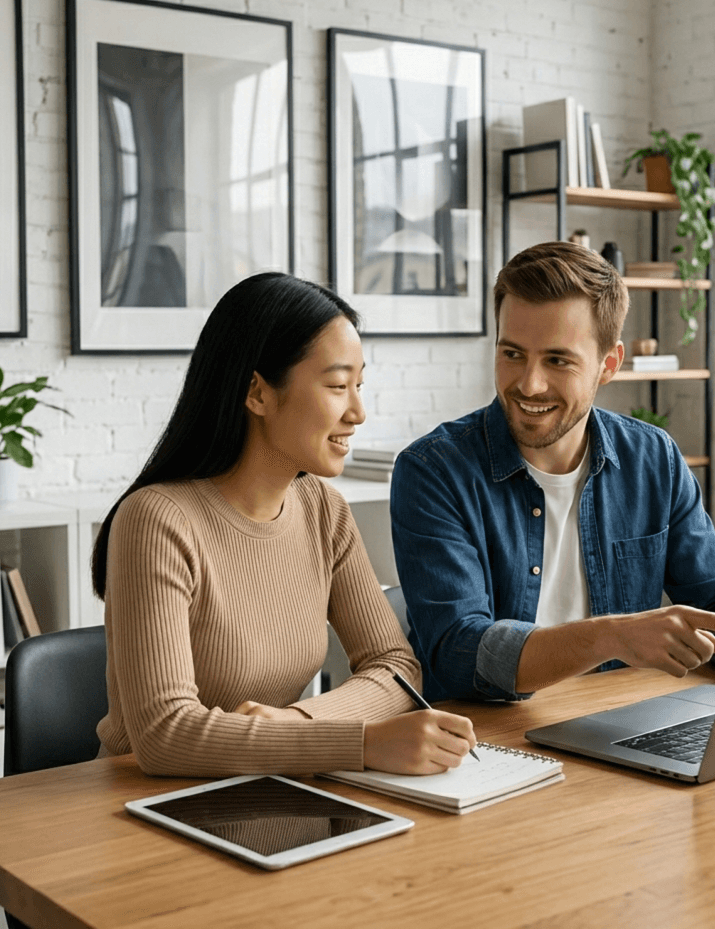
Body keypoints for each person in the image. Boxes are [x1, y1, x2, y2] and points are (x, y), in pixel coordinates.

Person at [93, 272, 475, 777]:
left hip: (272, 789)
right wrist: (358, 744)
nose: (358, 412)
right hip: (140, 805)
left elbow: (397, 667)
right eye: (338, 386)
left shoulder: (323, 509)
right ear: (257, 393)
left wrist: (298, 720)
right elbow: (165, 735)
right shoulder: (157, 521)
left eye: (359, 386)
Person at [390, 241, 715, 702]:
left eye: (557, 360)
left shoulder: (652, 458)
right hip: (486, 742)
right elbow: (459, 650)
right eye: (512, 354)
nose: (529, 384)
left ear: (609, 365)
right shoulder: (433, 471)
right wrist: (611, 637)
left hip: (613, 722)